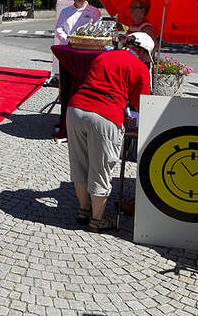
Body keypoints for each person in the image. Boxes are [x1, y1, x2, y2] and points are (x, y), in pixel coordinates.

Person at [66, 32, 153, 232]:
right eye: (147, 56)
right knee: (102, 168)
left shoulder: (103, 55)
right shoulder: (139, 66)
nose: (147, 60)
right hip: (105, 114)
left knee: (79, 162)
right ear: (141, 51)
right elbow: (141, 103)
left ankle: (83, 209)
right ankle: (97, 220)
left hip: (76, 109)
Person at [47, 0, 101, 87]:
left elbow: (97, 32)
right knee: (66, 81)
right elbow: (59, 28)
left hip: (86, 53)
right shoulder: (65, 11)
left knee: (84, 81)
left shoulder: (95, 12)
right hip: (68, 51)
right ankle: (65, 101)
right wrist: (68, 41)